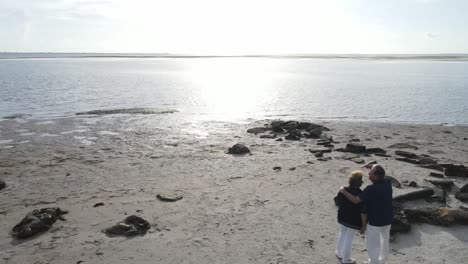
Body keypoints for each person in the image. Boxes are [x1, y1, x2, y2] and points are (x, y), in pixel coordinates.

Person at [339, 165, 393, 264]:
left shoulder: (370, 189)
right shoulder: (388, 183)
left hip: (375, 221)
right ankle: (382, 261)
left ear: (376, 176)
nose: (368, 174)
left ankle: (373, 262)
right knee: (384, 241)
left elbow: (355, 200)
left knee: (372, 244)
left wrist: (343, 191)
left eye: (371, 173)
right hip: (388, 218)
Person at [334, 171, 366, 264]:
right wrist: (363, 224)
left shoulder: (344, 190)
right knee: (349, 238)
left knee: (342, 233)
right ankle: (346, 259)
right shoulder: (361, 194)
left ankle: (339, 253)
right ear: (360, 183)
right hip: (354, 219)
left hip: (343, 216)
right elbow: (363, 210)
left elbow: (337, 201)